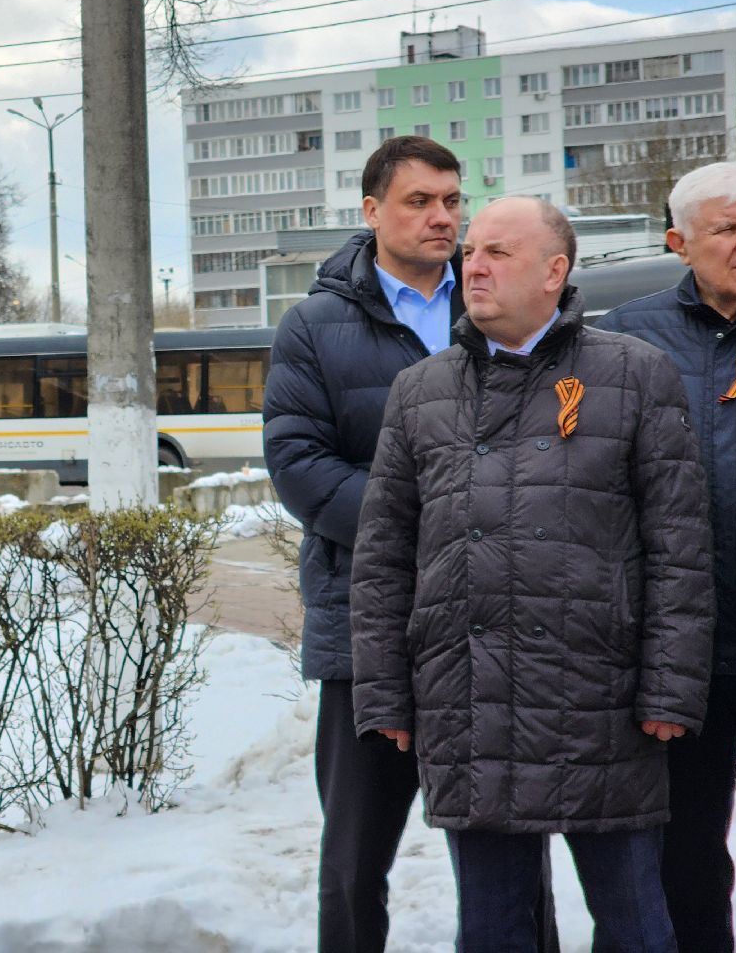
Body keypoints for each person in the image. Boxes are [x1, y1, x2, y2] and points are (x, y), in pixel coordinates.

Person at [350, 197, 714, 952]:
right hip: (468, 703)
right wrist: (385, 690)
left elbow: (679, 547)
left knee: (636, 924)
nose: (472, 267)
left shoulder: (634, 375)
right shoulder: (421, 391)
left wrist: (670, 688)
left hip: (603, 706)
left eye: (497, 253)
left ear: (556, 272)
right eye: (470, 252)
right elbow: (384, 556)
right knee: (491, 929)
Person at [264, 136, 558, 952]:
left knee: (511, 849)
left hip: (503, 622)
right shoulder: (315, 326)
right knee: (356, 860)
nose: (442, 218)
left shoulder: (502, 304)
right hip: (369, 628)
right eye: (419, 201)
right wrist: (432, 524)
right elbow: (298, 464)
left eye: (452, 201)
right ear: (371, 212)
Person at [598, 161, 736, 952]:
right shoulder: (626, 338)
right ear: (679, 244)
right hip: (682, 649)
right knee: (688, 853)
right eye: (728, 228)